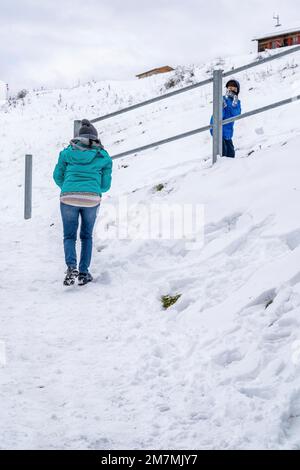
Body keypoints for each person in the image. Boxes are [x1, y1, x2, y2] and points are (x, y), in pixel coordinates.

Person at [53, 119, 112, 286]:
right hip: (92, 199)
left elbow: (57, 176)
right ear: (95, 137)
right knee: (86, 236)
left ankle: (71, 268)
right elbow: (105, 185)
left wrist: (67, 187)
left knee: (69, 235)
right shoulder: (103, 156)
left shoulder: (66, 153)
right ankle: (84, 273)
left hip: (68, 197)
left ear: (78, 137)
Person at [210, 79, 241, 158]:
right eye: (229, 88)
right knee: (222, 153)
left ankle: (230, 168)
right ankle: (220, 167)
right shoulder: (222, 99)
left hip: (228, 131)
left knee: (231, 153)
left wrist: (234, 105)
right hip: (218, 129)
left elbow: (237, 115)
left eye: (234, 89)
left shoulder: (237, 102)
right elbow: (218, 116)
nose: (231, 91)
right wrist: (222, 107)